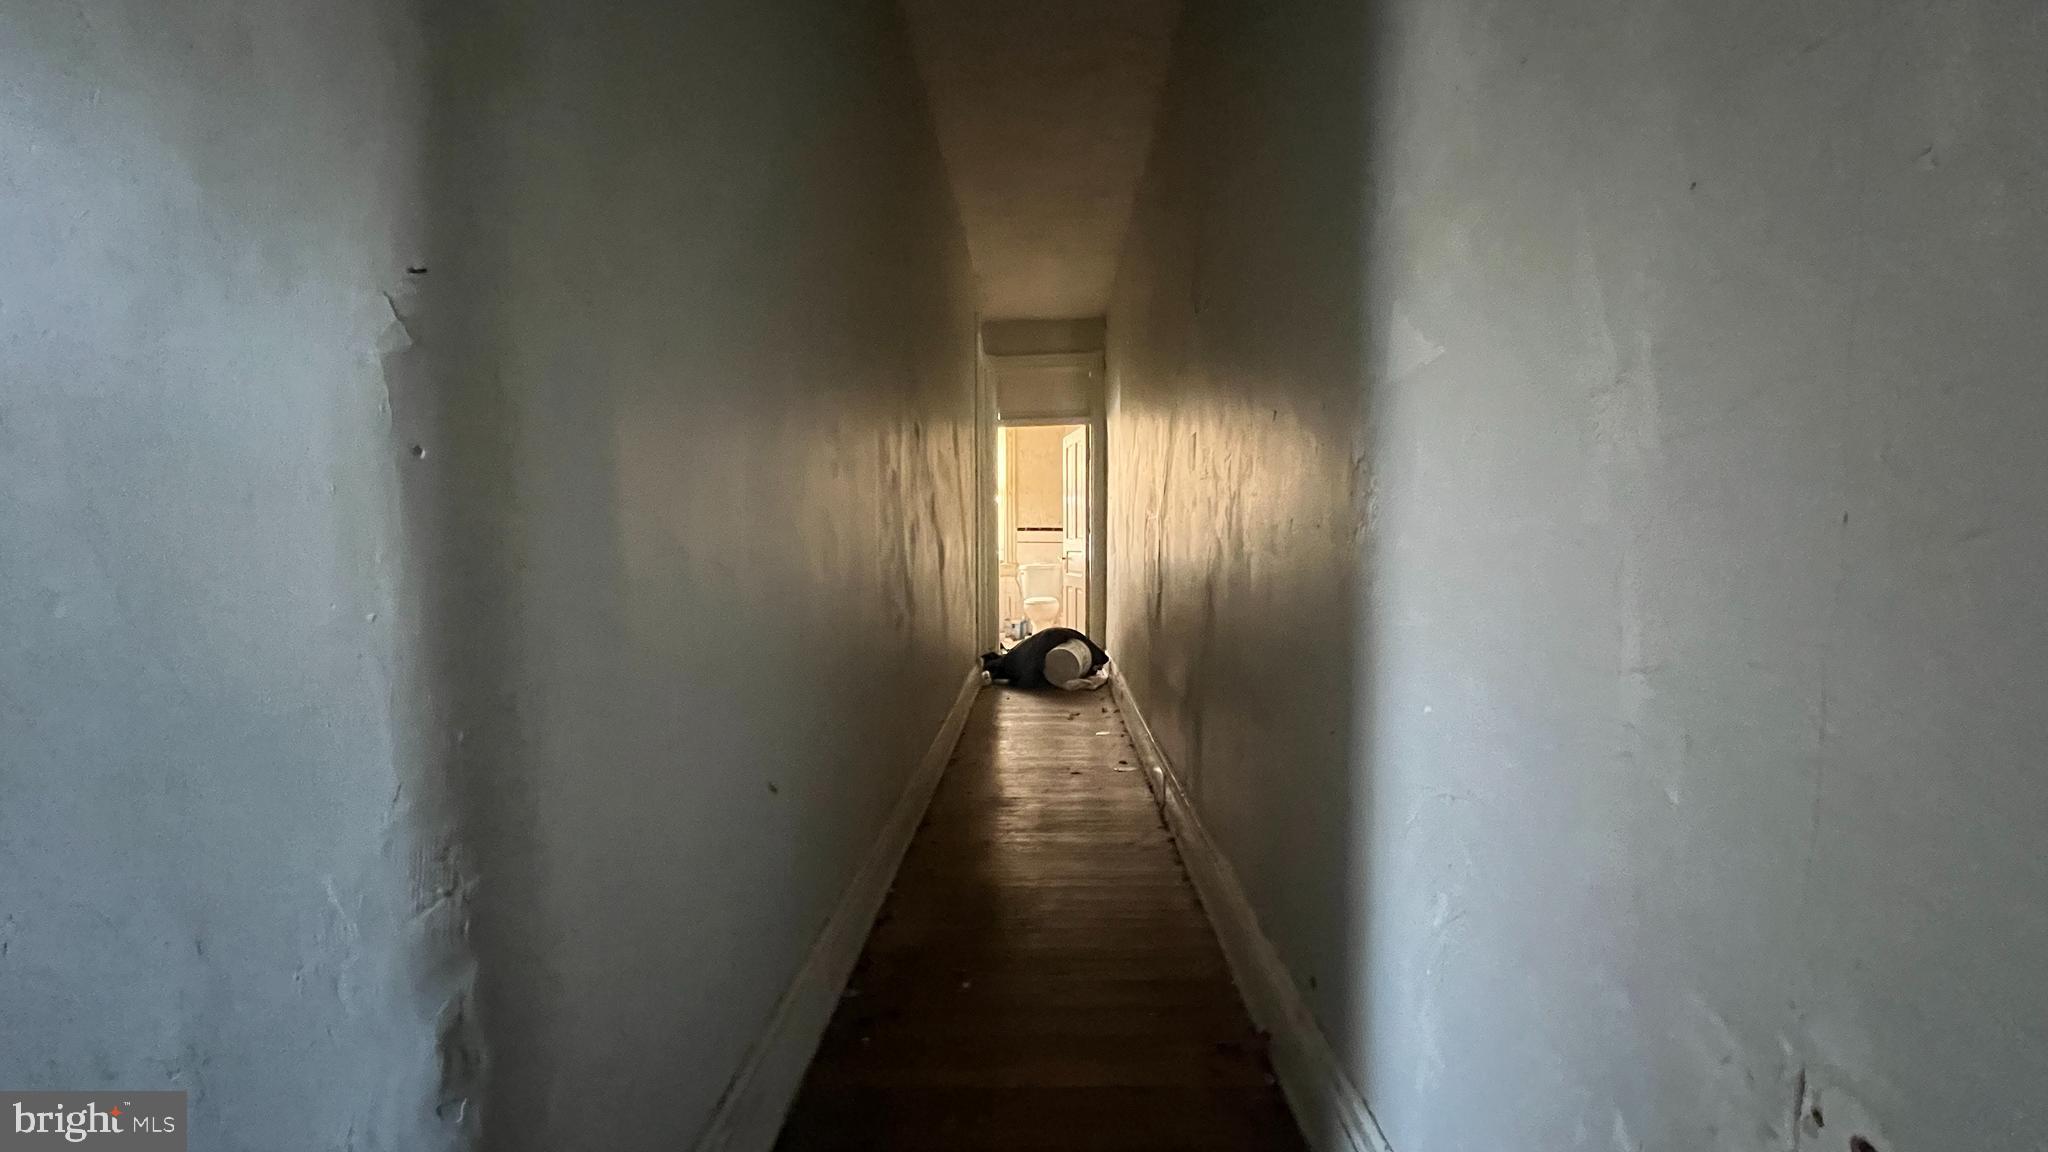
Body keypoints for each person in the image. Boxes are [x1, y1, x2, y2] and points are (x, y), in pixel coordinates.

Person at [980, 627, 1110, 690]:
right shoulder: (1083, 649)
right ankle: (999, 664)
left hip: (1048, 645)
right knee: (1017, 660)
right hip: (1047, 645)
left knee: (1015, 661)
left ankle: (998, 664)